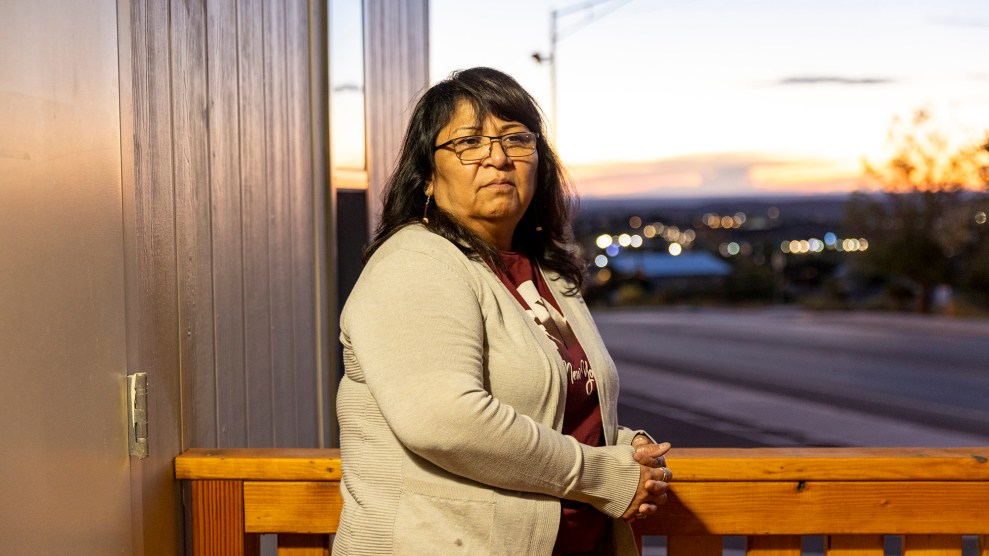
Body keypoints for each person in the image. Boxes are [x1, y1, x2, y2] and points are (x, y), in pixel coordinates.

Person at [335, 67, 671, 555]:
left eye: (516, 139)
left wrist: (625, 449)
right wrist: (603, 475)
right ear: (427, 175)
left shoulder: (544, 273)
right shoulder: (416, 263)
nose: (498, 157)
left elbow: (548, 412)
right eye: (468, 143)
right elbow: (447, 421)